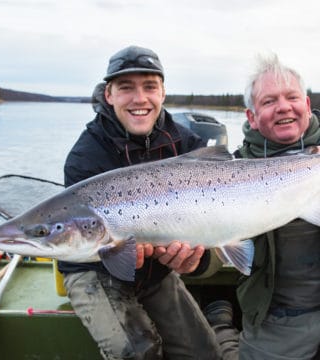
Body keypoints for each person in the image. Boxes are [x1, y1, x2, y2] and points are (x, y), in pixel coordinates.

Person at [59, 45, 222, 360]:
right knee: (137, 352)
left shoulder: (188, 146)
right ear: (109, 95)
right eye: (126, 88)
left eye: (150, 86)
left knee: (205, 353)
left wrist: (198, 260)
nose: (139, 99)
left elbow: (215, 232)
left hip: (155, 271)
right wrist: (122, 253)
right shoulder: (86, 156)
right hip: (93, 268)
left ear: (162, 92)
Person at [204, 54, 320, 360]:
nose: (283, 106)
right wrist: (194, 261)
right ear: (252, 117)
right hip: (278, 319)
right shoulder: (223, 176)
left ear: (306, 105)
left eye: (292, 97)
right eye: (269, 101)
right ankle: (220, 327)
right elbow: (213, 260)